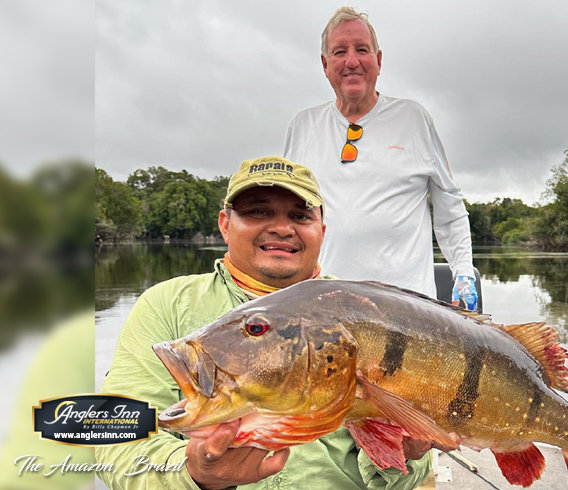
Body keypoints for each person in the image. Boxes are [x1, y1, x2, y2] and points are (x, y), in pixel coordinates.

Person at [96, 156, 432, 490]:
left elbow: (405, 477)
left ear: (322, 231)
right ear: (225, 224)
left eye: (300, 215)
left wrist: (408, 455)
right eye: (258, 211)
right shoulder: (166, 305)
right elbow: (118, 442)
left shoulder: (369, 315)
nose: (282, 228)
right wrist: (195, 474)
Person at [283, 6, 478, 310]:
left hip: (410, 313)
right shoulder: (303, 125)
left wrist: (463, 272)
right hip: (324, 313)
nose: (351, 61)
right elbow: (286, 217)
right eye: (339, 52)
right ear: (325, 64)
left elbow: (449, 205)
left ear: (379, 60)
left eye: (362, 50)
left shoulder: (414, 119)